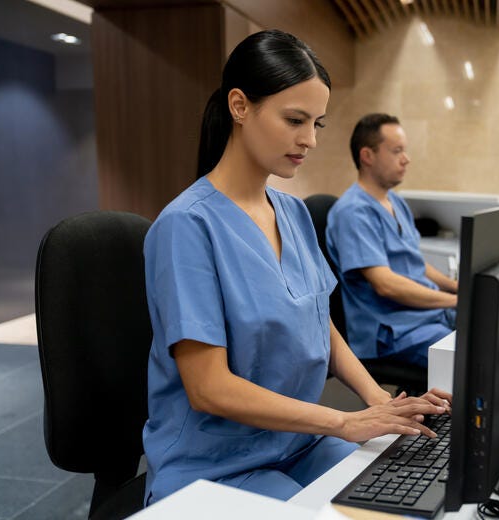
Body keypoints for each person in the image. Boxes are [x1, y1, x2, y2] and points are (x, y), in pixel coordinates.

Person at [141, 31, 451, 505]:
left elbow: (319, 325)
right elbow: (208, 388)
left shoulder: (293, 212)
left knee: (404, 497)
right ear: (240, 106)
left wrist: (381, 402)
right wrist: (344, 422)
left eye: (317, 124)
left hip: (296, 442)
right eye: (294, 120)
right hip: (215, 465)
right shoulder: (186, 226)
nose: (308, 140)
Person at [326, 114, 458, 368]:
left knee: (494, 331)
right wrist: (455, 301)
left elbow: (415, 263)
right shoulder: (353, 212)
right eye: (397, 151)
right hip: (393, 331)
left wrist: (455, 287)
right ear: (367, 156)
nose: (406, 158)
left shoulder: (395, 202)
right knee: (475, 358)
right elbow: (386, 285)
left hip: (424, 316)